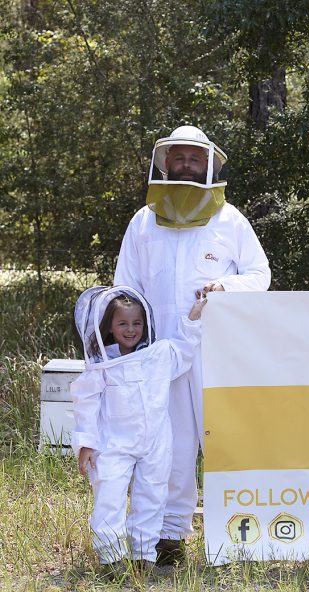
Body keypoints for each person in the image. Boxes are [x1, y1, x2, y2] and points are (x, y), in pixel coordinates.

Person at [114, 125, 271, 566]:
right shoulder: (143, 223)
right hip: (160, 352)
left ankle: (241, 534)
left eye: (193, 158)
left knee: (226, 440)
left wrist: (226, 285)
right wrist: (131, 344)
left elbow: (260, 276)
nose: (185, 165)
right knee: (172, 445)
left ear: (208, 165)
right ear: (164, 164)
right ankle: (169, 536)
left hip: (218, 351)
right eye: (178, 158)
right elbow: (124, 289)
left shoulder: (230, 220)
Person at [71, 286, 207, 575]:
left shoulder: (158, 355)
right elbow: (86, 405)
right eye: (122, 323)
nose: (131, 330)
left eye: (136, 323)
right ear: (109, 326)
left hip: (156, 443)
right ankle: (111, 561)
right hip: (112, 445)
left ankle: (143, 559)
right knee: (109, 499)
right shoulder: (101, 365)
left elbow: (184, 348)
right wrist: (85, 444)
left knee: (153, 498)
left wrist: (194, 316)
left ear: (145, 325)